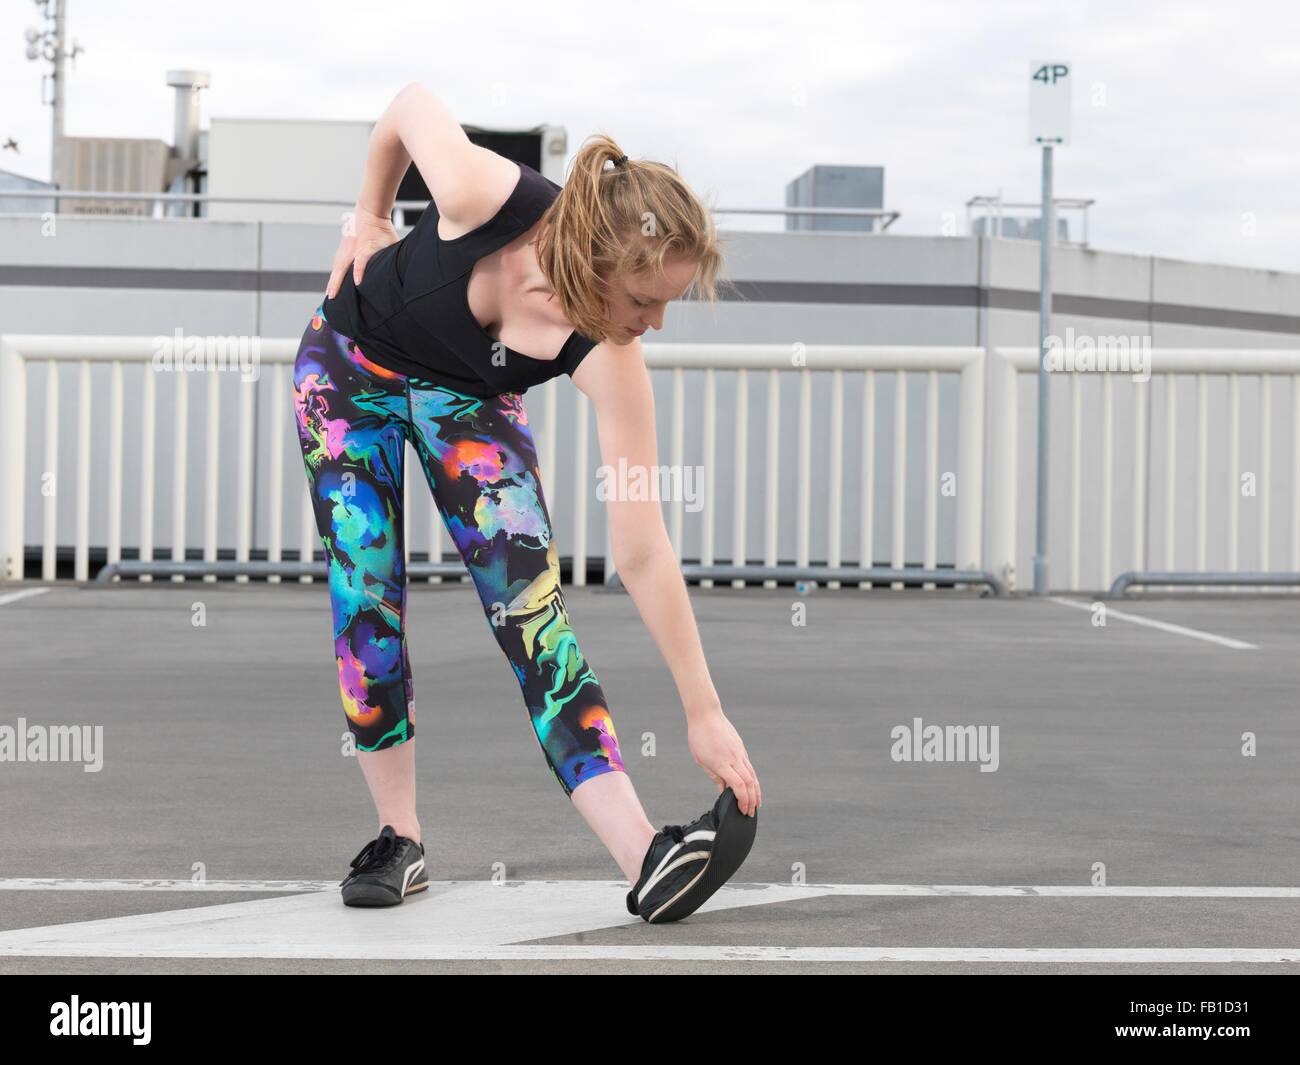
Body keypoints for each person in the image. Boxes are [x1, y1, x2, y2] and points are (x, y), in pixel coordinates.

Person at [292, 83, 760, 924]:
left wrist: (704, 708)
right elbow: (406, 106)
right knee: (367, 594)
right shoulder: (484, 194)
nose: (653, 323)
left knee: (531, 606)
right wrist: (367, 214)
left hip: (466, 400)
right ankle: (398, 836)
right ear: (597, 260)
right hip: (349, 366)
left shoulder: (612, 359)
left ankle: (644, 852)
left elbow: (643, 549)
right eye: (645, 299)